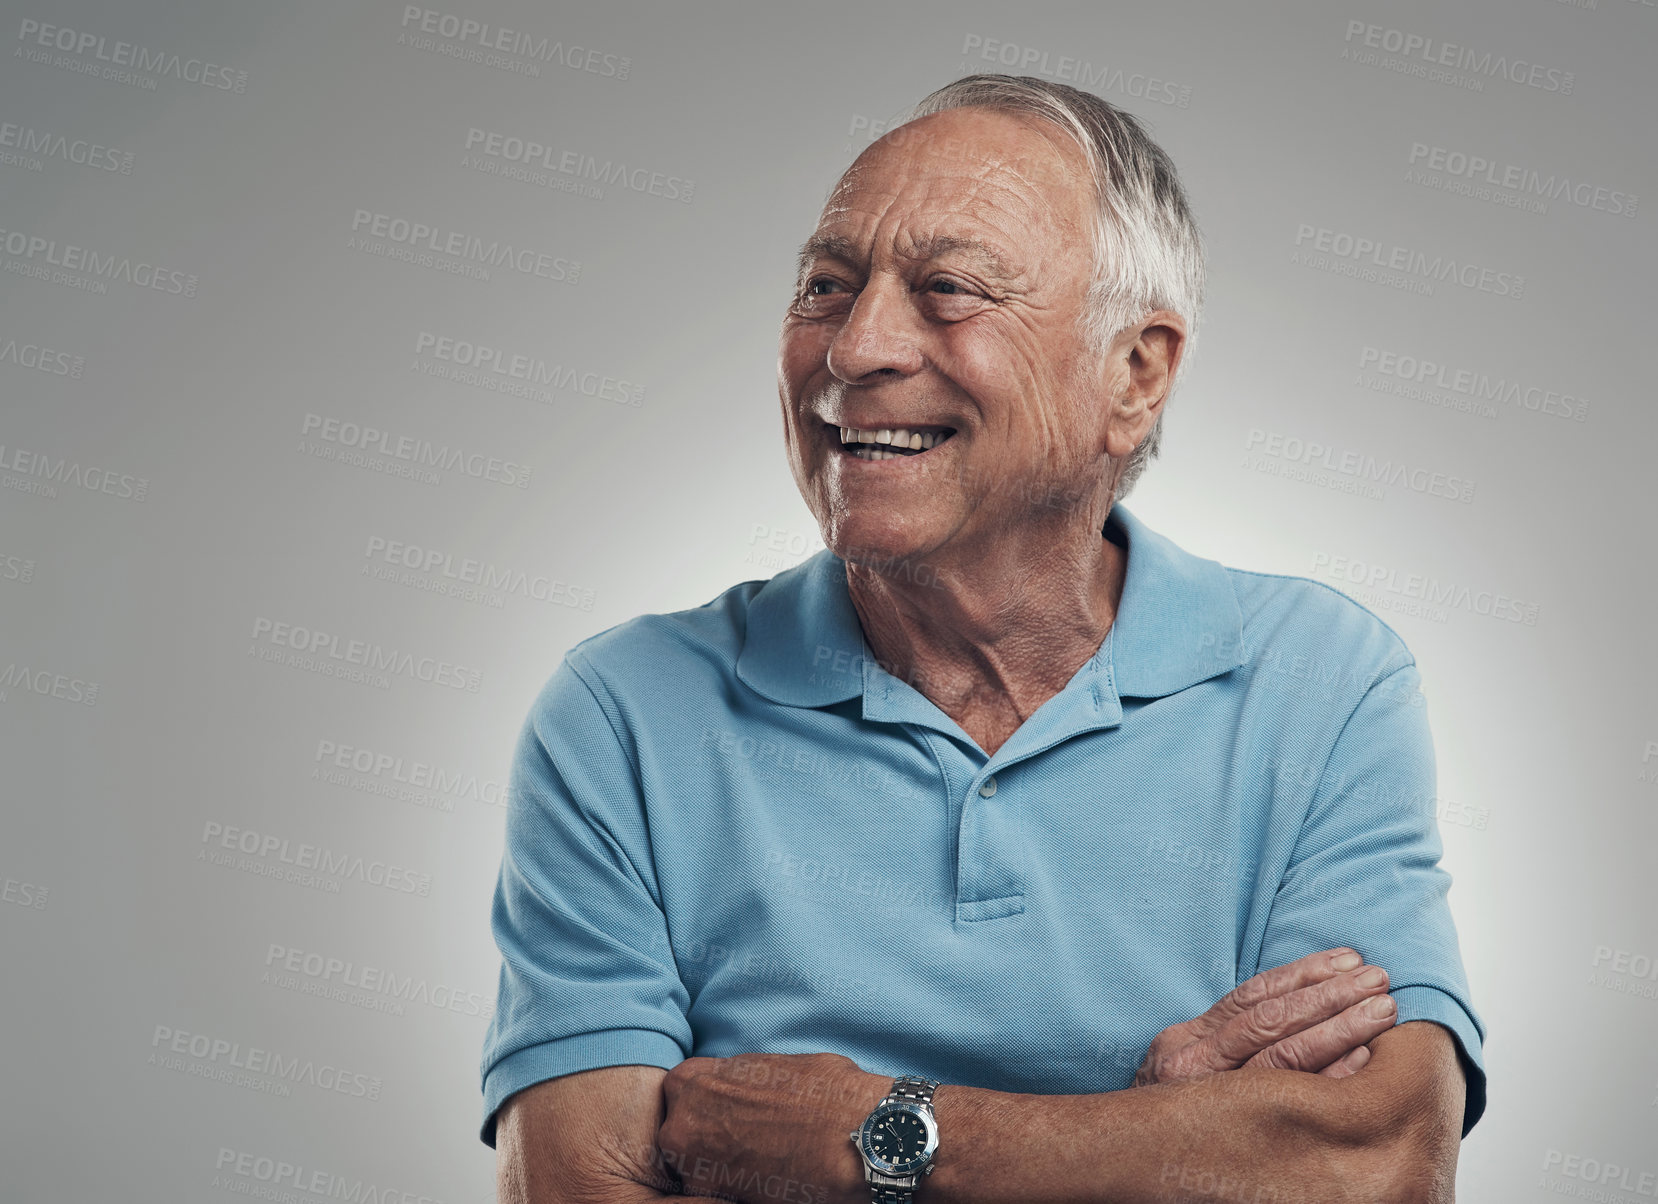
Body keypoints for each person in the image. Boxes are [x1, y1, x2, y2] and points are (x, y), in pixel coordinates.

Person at [481, 74, 1485, 1203]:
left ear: (1133, 374)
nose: (854, 348)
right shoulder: (622, 711)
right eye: (826, 284)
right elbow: (579, 1189)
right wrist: (1155, 1137)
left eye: (947, 289)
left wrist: (863, 1139)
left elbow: (1377, 1165)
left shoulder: (1323, 680)